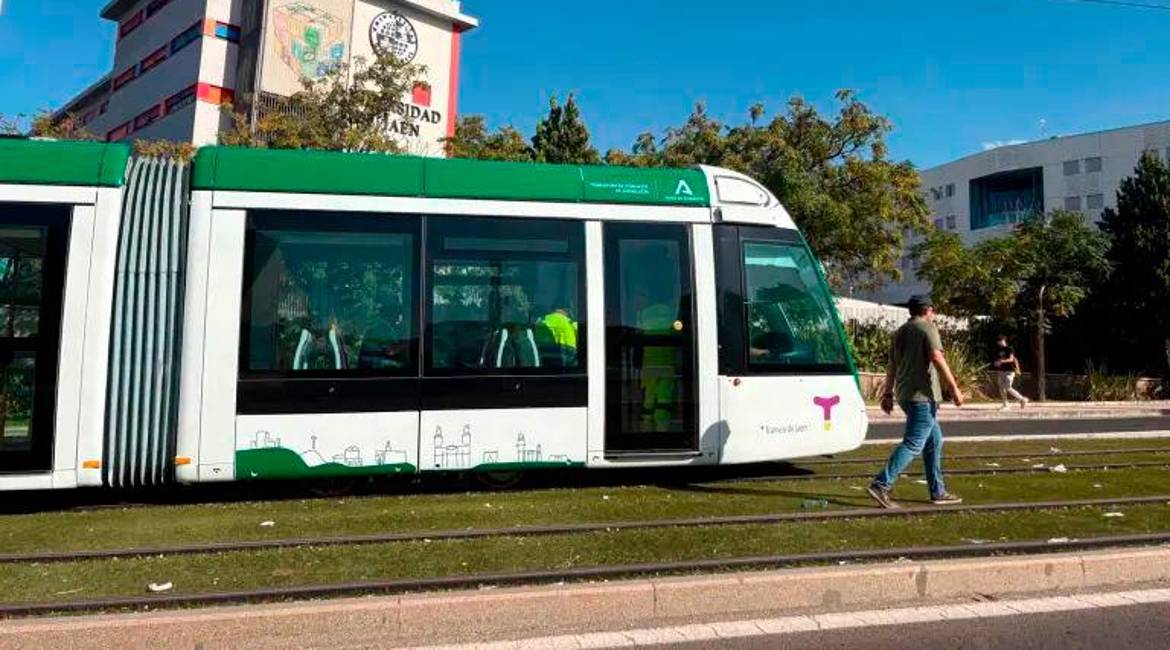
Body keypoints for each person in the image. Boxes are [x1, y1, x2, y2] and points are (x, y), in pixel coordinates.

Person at [867, 294, 965, 509]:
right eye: (933, 310)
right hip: (922, 397)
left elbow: (892, 365)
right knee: (914, 443)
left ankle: (937, 491)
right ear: (927, 310)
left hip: (905, 394)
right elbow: (937, 358)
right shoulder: (927, 328)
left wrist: (887, 394)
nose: (934, 314)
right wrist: (954, 388)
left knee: (934, 441)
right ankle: (881, 484)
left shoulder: (900, 332)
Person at [992, 335, 1029, 409]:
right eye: (998, 342)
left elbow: (1011, 359)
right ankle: (1005, 404)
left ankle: (1022, 399)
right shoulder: (998, 350)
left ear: (1004, 340)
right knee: (1001, 388)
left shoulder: (1009, 348)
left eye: (1001, 341)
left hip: (1010, 371)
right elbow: (997, 360)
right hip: (1001, 371)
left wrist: (1002, 361)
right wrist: (996, 363)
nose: (1000, 343)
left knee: (1008, 387)